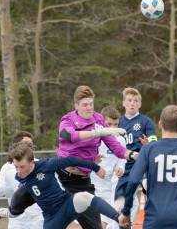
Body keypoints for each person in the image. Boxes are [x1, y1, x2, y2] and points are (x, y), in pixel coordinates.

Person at [56, 85, 134, 229]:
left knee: (95, 227)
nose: (89, 108)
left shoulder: (98, 119)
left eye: (91, 104)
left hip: (84, 181)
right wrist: (94, 133)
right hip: (64, 178)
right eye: (85, 105)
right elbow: (68, 136)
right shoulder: (67, 119)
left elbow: (114, 144)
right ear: (76, 106)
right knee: (57, 222)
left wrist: (131, 154)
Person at [0, 141, 124, 229]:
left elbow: (71, 160)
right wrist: (8, 212)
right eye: (16, 167)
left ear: (32, 162)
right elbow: (20, 203)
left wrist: (96, 167)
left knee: (84, 197)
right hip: (52, 217)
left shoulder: (46, 165)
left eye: (22, 166)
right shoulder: (19, 178)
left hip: (66, 203)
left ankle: (119, 218)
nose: (19, 171)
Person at [115, 87, 157, 226]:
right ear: (123, 103)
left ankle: (155, 221)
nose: (132, 103)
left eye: (135, 101)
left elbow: (153, 141)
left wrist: (147, 145)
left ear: (139, 104)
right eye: (129, 100)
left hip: (142, 165)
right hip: (123, 166)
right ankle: (127, 223)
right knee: (122, 200)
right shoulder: (118, 122)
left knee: (149, 189)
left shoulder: (145, 121)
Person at [90, 106, 127, 229]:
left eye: (116, 124)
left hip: (110, 183)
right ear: (101, 124)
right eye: (109, 124)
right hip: (94, 182)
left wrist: (120, 167)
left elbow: (121, 158)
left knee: (110, 218)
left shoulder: (120, 140)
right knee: (96, 219)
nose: (112, 128)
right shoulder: (95, 138)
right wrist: (94, 162)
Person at [0, 131, 43, 229]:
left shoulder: (41, 166)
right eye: (27, 145)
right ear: (16, 146)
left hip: (38, 219)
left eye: (32, 145)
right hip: (17, 221)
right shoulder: (7, 168)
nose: (30, 148)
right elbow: (0, 190)